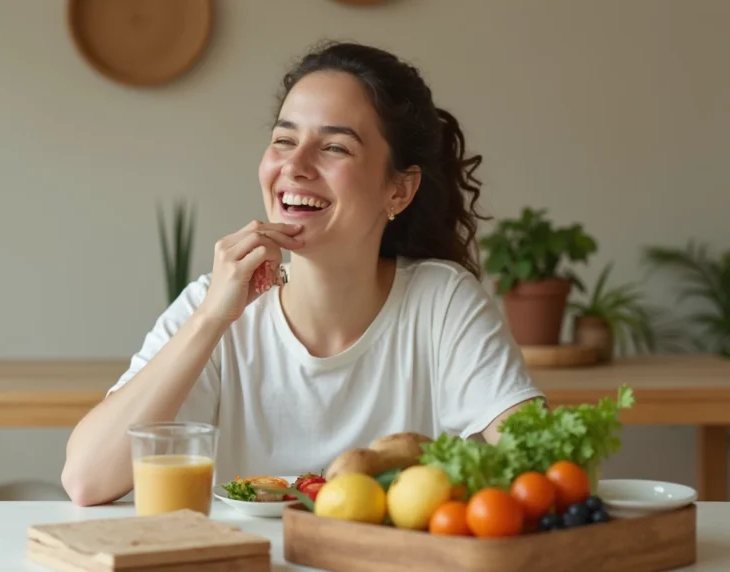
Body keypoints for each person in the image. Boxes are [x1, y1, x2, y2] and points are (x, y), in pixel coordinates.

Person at [61, 41, 545, 507]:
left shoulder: (442, 303)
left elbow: (541, 468)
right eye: (284, 140)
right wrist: (210, 320)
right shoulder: (212, 307)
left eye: (334, 147)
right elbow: (86, 480)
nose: (295, 165)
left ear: (398, 190)